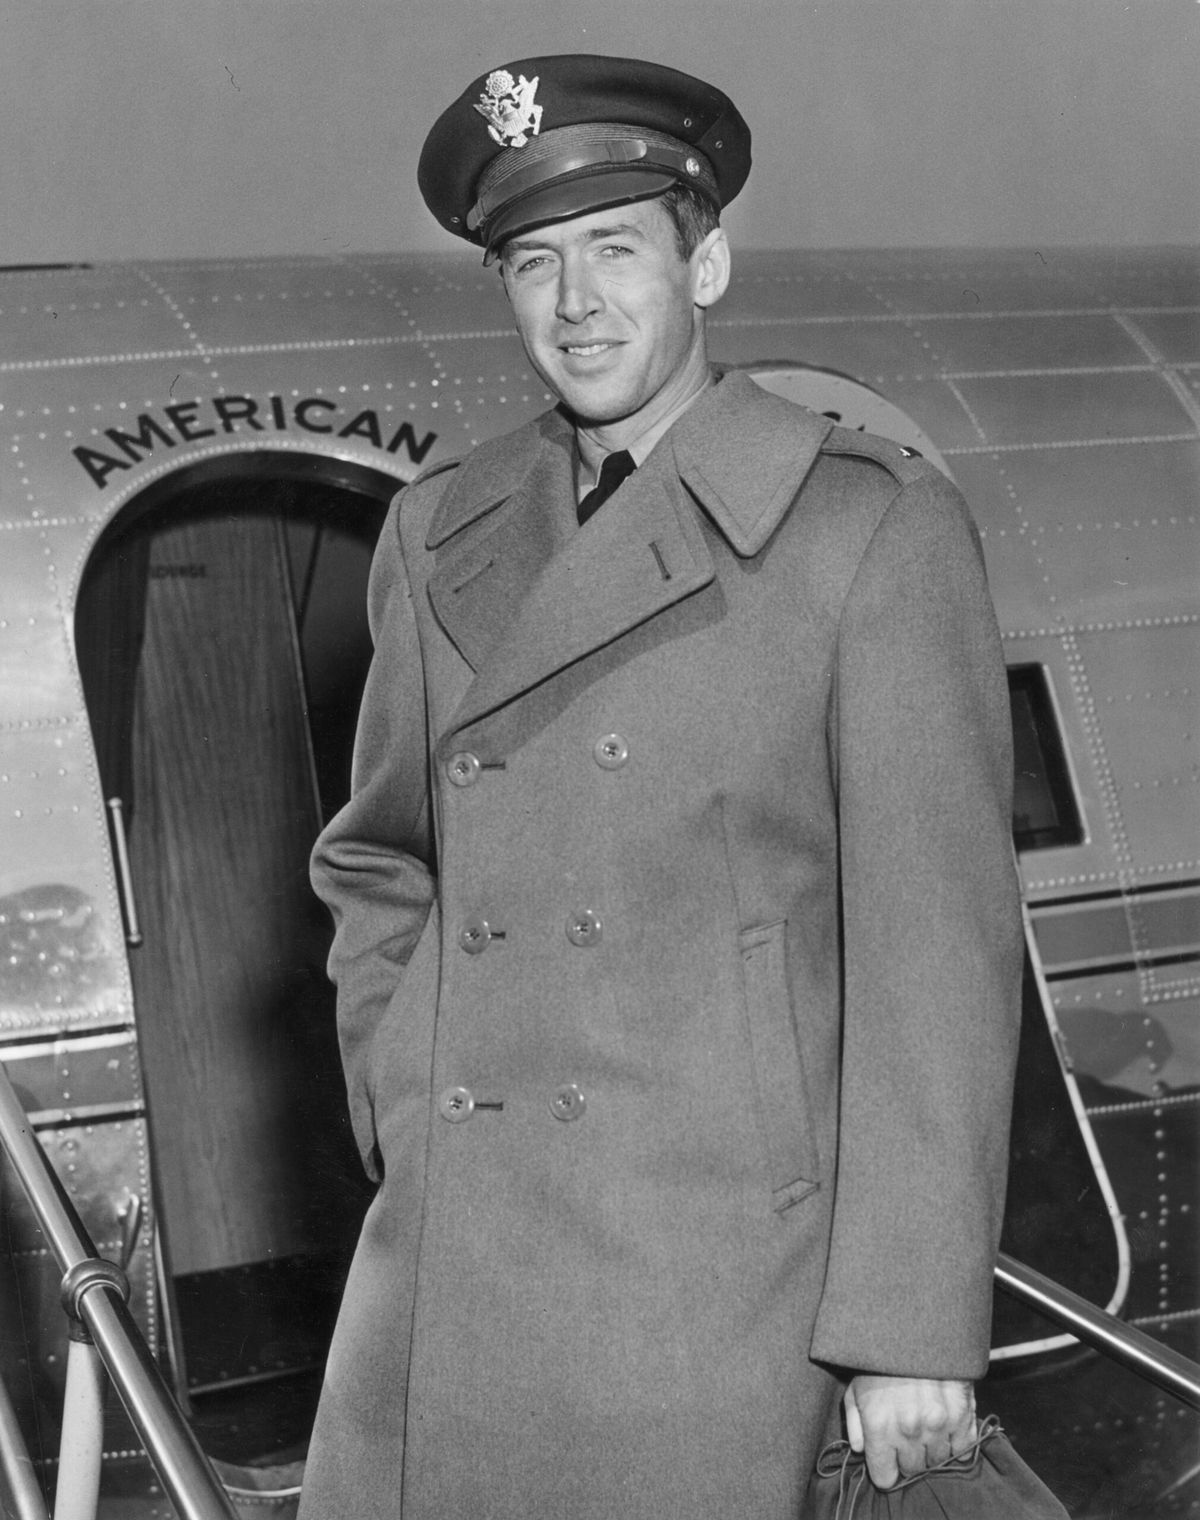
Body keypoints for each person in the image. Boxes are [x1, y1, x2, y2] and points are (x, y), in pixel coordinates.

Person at [299, 53, 1023, 1519]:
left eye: (616, 250)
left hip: (720, 1286)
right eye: (532, 263)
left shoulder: (862, 528)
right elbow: (380, 861)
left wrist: (905, 1329)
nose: (575, 307)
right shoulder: (440, 531)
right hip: (449, 1268)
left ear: (707, 261)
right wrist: (411, 1100)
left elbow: (934, 952)